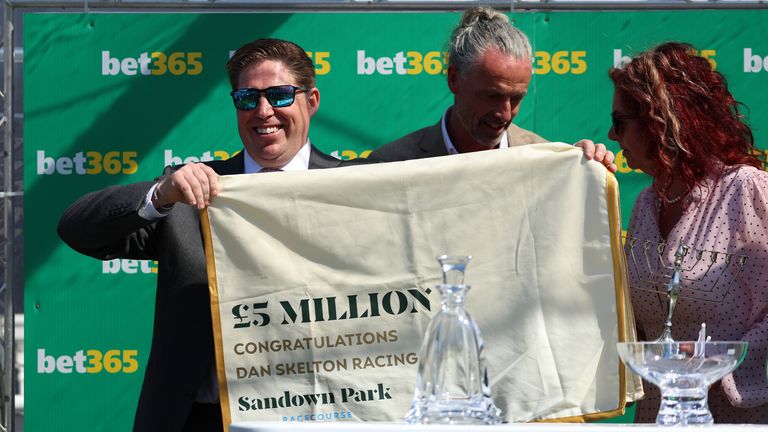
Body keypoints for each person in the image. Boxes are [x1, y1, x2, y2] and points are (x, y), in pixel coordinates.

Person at [57, 38, 365, 432]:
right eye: (247, 98)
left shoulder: (354, 189)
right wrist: (159, 195)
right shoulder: (191, 191)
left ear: (312, 100)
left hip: (323, 415)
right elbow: (76, 228)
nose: (264, 111)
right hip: (204, 419)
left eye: (280, 95)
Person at [610, 42, 768, 423]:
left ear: (659, 122)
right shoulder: (645, 203)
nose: (613, 136)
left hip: (735, 417)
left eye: (619, 123)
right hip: (658, 415)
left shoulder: (746, 190)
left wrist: (716, 365)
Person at [367, 6, 616, 172]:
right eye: (492, 95)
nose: (505, 114)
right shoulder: (391, 166)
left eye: (516, 98)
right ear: (454, 79)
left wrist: (584, 168)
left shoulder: (546, 163)